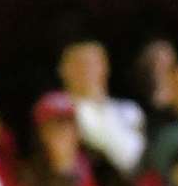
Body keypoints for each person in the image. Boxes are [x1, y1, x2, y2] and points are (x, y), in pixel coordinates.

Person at [54, 39, 146, 175]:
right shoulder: (58, 109)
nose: (86, 69)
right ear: (63, 70)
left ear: (105, 66)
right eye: (79, 63)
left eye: (93, 62)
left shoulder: (130, 111)